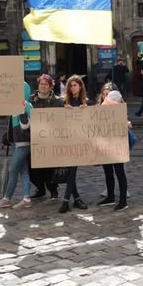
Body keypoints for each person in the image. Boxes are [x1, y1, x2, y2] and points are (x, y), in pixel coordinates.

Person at [0, 82, 34, 209]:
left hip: (23, 143)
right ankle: (26, 198)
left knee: (13, 170)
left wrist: (22, 111)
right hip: (17, 143)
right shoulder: (16, 105)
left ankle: (7, 198)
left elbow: (25, 126)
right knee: (23, 171)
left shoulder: (27, 105)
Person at [58, 75, 90, 213]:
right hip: (67, 140)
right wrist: (65, 110)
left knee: (73, 169)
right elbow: (56, 119)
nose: (72, 88)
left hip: (80, 140)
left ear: (80, 86)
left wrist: (86, 110)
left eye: (75, 85)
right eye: (70, 85)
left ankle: (66, 201)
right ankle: (75, 199)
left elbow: (92, 122)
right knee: (71, 170)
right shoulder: (63, 102)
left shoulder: (86, 101)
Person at [29, 74, 63, 200]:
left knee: (50, 167)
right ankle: (40, 188)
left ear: (50, 86)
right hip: (34, 139)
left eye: (46, 84)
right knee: (33, 167)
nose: (43, 86)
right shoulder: (30, 100)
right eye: (41, 84)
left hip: (51, 139)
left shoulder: (58, 101)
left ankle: (53, 189)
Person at [97, 90, 129, 211]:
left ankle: (121, 200)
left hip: (115, 145)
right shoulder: (110, 108)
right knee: (112, 171)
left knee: (116, 172)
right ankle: (114, 198)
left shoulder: (115, 108)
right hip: (108, 144)